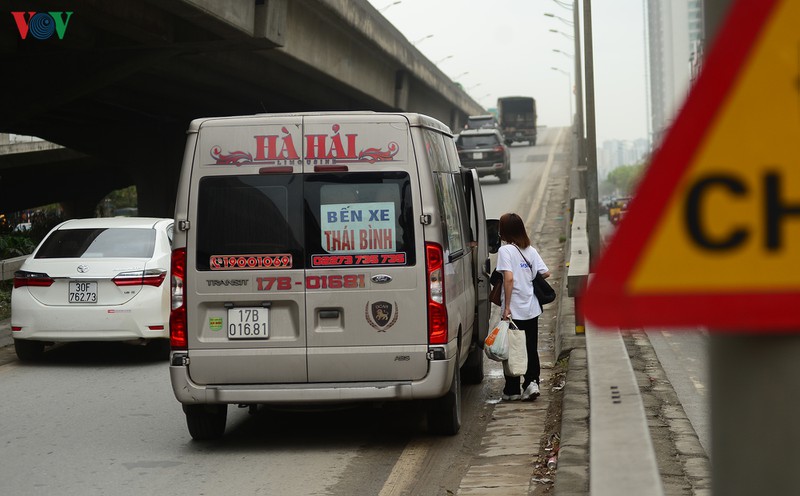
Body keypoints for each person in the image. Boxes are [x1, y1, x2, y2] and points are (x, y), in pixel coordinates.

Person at [496, 212, 551, 401]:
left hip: (515, 310)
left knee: (513, 348)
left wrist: (507, 307)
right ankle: (532, 383)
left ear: (505, 231)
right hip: (532, 308)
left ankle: (512, 389)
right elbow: (546, 273)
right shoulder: (530, 250)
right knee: (530, 347)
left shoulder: (505, 251)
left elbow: (508, 279)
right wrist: (527, 277)